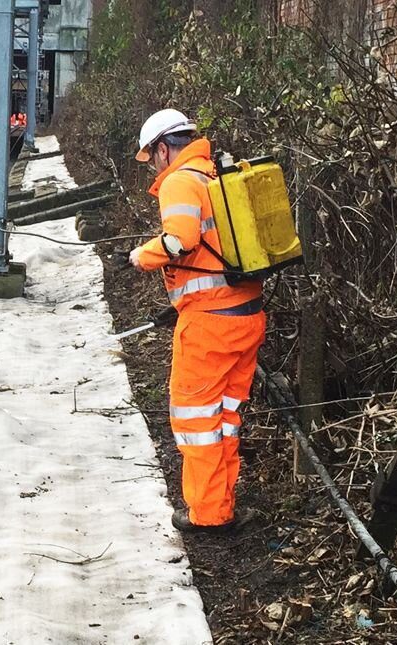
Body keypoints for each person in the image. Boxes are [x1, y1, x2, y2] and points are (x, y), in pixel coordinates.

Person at [126, 108, 266, 533]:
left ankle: (207, 515)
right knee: (225, 418)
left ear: (164, 149)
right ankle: (221, 504)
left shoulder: (181, 181)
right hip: (246, 315)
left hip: (210, 328)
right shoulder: (217, 175)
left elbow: (180, 241)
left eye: (152, 157)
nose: (153, 166)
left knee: (195, 421)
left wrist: (140, 257)